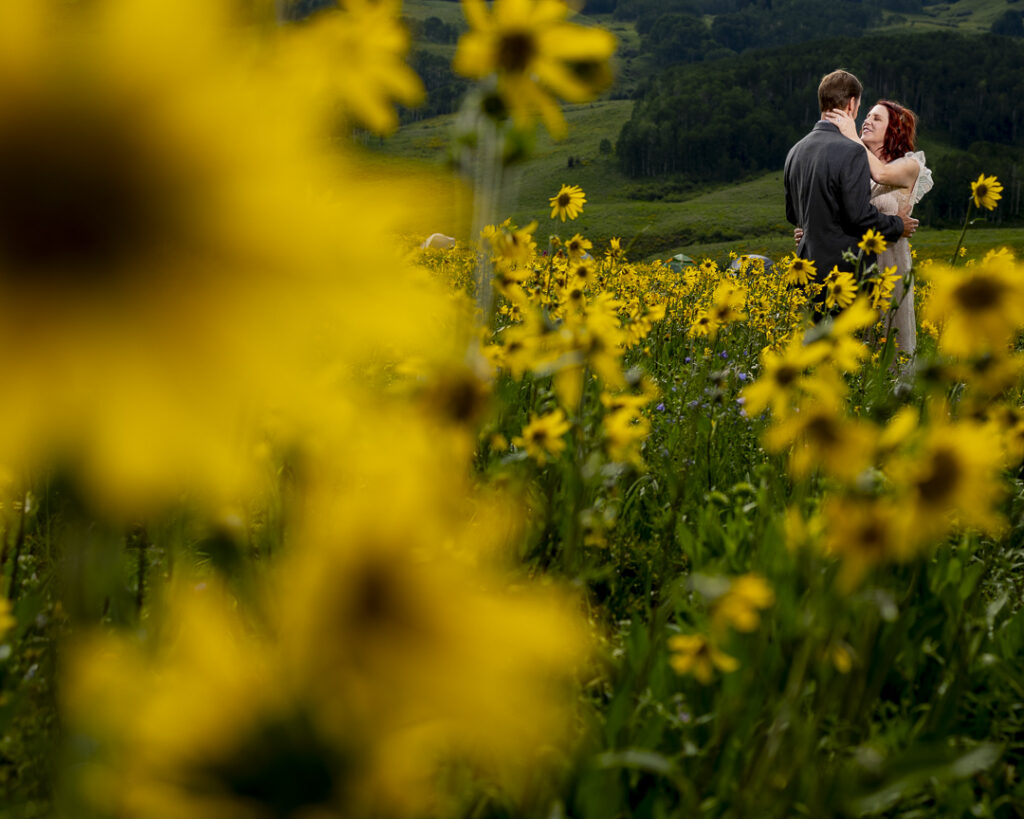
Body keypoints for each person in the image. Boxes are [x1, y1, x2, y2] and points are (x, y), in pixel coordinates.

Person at [784, 70, 918, 316]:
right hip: (844, 276)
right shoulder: (852, 151)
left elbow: (793, 214)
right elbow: (858, 217)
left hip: (806, 273)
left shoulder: (795, 150)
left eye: (876, 118)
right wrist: (898, 224)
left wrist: (811, 230)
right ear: (852, 104)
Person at [822, 100, 933, 356]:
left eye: (876, 118)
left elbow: (881, 175)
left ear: (894, 130)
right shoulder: (857, 168)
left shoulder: (909, 165)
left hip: (888, 263)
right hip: (853, 263)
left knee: (887, 346)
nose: (866, 121)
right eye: (867, 116)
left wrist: (850, 134)